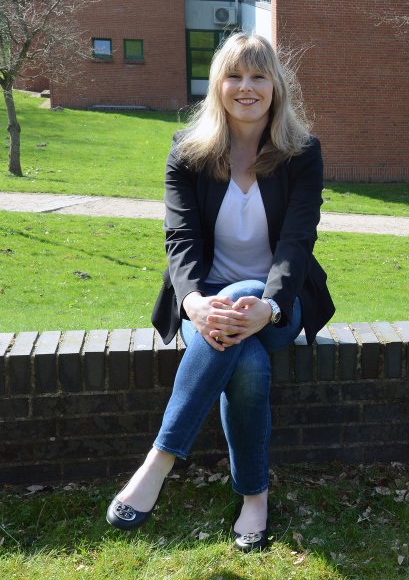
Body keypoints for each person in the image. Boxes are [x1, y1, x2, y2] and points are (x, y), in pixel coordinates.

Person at [105, 32, 334, 552]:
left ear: (276, 86)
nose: (246, 87)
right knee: (246, 363)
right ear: (217, 85)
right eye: (234, 75)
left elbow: (297, 244)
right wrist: (195, 303)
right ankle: (255, 495)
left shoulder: (302, 154)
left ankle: (158, 461)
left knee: (252, 302)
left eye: (258, 76)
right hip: (205, 303)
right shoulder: (187, 153)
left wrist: (269, 305)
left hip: (281, 305)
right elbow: (179, 239)